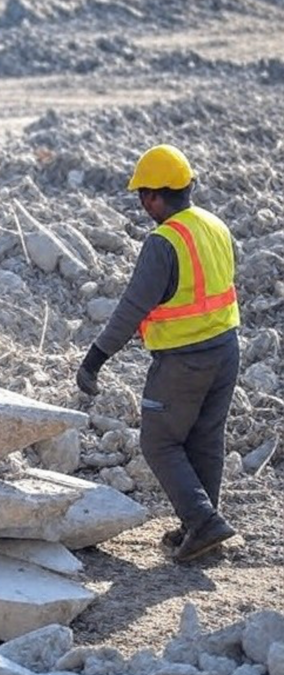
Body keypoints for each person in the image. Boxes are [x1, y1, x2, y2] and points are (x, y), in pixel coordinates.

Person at [76, 144, 240, 562]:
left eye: (141, 197)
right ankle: (200, 527)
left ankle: (203, 522)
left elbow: (134, 305)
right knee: (205, 440)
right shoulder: (214, 224)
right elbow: (199, 292)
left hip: (184, 361)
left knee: (160, 442)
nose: (142, 205)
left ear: (152, 195)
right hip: (225, 349)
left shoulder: (164, 241)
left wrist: (95, 358)